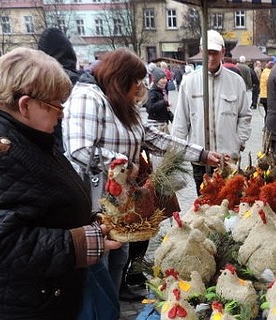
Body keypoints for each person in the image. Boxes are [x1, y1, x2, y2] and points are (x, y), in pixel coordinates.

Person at [0, 47, 122, 319]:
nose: (61, 114)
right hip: (11, 305)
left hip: (36, 294)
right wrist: (82, 241)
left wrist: (88, 220)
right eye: (55, 105)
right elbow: (1, 241)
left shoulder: (23, 135)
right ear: (25, 104)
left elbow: (38, 203)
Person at [64, 48, 222, 301]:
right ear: (120, 78)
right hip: (95, 202)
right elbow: (79, 149)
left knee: (120, 256)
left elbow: (154, 137)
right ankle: (101, 309)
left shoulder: (121, 104)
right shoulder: (87, 98)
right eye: (135, 81)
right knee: (100, 262)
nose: (138, 87)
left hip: (124, 204)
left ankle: (113, 303)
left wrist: (202, 155)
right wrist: (122, 163)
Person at [172, 30, 252, 194]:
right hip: (200, 159)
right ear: (201, 51)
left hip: (228, 160)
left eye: (214, 53)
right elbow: (181, 121)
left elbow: (245, 115)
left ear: (223, 51)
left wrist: (238, 143)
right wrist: (175, 156)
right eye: (207, 53)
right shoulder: (189, 82)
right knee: (204, 207)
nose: (211, 58)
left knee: (230, 206)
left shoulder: (235, 81)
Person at [38, 27, 82, 152]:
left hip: (55, 148)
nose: (61, 113)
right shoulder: (80, 81)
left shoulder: (42, 80)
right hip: (73, 150)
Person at [146, 68, 174, 133]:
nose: (165, 80)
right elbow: (150, 108)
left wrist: (171, 117)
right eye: (162, 78)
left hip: (163, 123)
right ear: (156, 80)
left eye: (165, 78)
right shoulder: (152, 92)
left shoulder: (163, 91)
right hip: (156, 125)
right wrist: (165, 102)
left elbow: (164, 108)